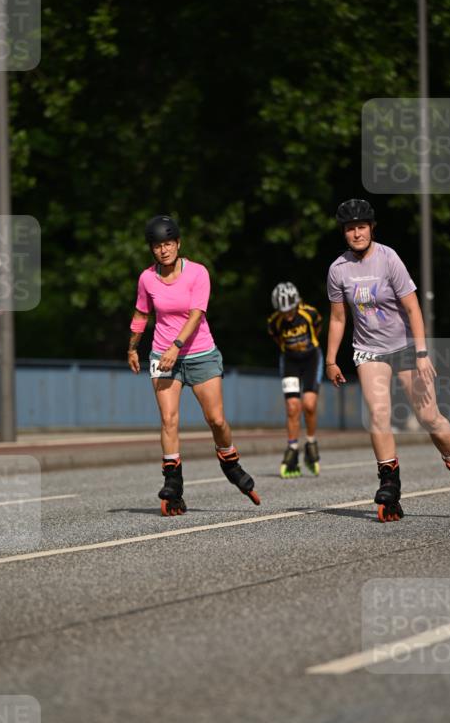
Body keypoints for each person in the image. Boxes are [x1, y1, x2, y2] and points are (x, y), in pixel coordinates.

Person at [325, 198, 450, 522]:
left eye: (361, 227)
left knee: (429, 416)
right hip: (368, 349)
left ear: (371, 228)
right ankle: (389, 482)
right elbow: (338, 318)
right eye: (350, 229)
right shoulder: (338, 269)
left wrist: (422, 353)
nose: (356, 233)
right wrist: (331, 359)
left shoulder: (388, 258)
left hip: (405, 345)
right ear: (344, 232)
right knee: (378, 413)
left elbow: (413, 308)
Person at [127, 214, 260, 515]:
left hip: (200, 353)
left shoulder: (198, 273)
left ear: (178, 244)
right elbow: (140, 314)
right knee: (169, 419)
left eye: (169, 244)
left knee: (216, 420)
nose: (163, 250)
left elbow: (196, 315)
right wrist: (133, 348)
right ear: (152, 249)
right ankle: (173, 483)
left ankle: (229, 460)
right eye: (157, 246)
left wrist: (176, 346)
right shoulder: (147, 278)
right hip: (162, 356)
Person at [267, 282, 323, 477]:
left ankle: (311, 441)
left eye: (290, 310)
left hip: (310, 359)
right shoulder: (274, 322)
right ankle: (292, 447)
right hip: (289, 360)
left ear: (296, 303)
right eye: (283, 311)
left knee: (309, 404)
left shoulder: (310, 313)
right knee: (292, 407)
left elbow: (317, 330)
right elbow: (276, 339)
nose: (288, 315)